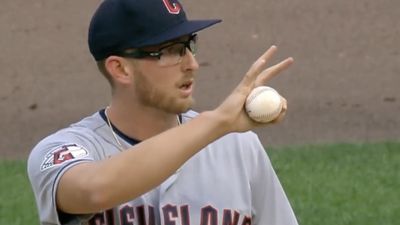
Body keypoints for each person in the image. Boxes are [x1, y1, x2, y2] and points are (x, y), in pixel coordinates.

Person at [27, 0, 298, 224]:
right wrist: (217, 123)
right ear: (120, 69)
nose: (192, 64)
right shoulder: (63, 150)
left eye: (189, 45)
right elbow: (94, 191)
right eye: (171, 51)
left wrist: (220, 127)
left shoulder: (238, 146)